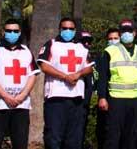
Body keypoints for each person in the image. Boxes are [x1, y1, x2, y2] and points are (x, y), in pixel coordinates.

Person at [0, 19, 39, 149]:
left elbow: (32, 74)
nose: (12, 33)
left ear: (20, 32)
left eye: (15, 31)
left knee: (21, 143)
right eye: (9, 31)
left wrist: (22, 96)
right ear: (3, 32)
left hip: (21, 105)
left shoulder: (26, 50)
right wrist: (5, 96)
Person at [37, 17, 94, 149]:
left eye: (71, 29)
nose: (67, 31)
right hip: (56, 99)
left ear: (75, 31)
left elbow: (90, 66)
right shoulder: (51, 44)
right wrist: (64, 76)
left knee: (74, 140)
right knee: (53, 138)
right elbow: (44, 66)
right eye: (65, 28)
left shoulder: (81, 47)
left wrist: (78, 74)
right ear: (60, 29)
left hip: (76, 99)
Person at [96, 20, 137, 149]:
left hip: (135, 100)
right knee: (112, 135)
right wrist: (102, 97)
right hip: (116, 99)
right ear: (120, 34)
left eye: (129, 31)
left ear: (135, 33)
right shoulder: (110, 51)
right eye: (124, 31)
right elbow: (103, 76)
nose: (127, 34)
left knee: (132, 135)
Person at [95, 28, 120, 149]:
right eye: (110, 39)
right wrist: (102, 97)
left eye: (115, 38)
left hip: (121, 98)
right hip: (107, 97)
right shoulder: (103, 56)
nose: (113, 41)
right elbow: (101, 78)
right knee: (105, 130)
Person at [78, 30, 95, 149]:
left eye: (89, 42)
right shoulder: (76, 58)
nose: (87, 44)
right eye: (84, 42)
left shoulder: (92, 59)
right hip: (76, 102)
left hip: (86, 103)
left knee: (82, 128)